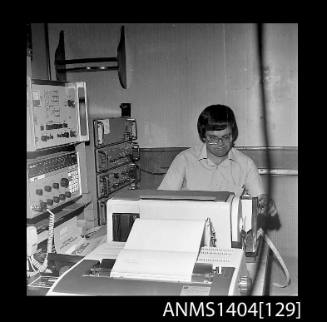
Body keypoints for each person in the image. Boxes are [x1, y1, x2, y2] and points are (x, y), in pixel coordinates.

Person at [158, 104, 277, 217]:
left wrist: (266, 203)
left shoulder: (245, 164)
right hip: (191, 226)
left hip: (229, 228)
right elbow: (160, 200)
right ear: (203, 136)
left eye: (226, 137)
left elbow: (260, 198)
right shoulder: (184, 160)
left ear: (233, 135)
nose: (220, 143)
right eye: (213, 138)